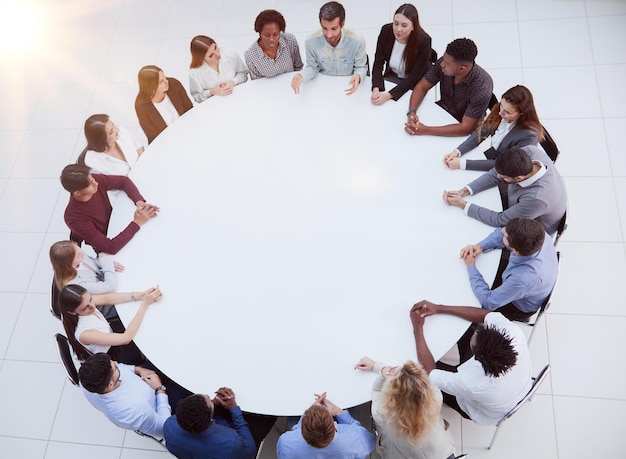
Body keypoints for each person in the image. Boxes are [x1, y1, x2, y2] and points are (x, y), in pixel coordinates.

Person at [409, 300, 532, 425]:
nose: (477, 331)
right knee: (468, 327)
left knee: (418, 370)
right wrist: (439, 308)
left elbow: (430, 373)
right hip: (515, 388)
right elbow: (485, 316)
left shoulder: (475, 383)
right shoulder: (513, 333)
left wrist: (418, 328)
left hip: (480, 409)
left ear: (477, 358)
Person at [442, 145, 568, 235]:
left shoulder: (537, 198)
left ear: (519, 177)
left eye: (502, 177)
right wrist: (464, 191)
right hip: (522, 204)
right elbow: (495, 172)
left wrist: (462, 204)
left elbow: (500, 220)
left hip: (531, 229)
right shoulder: (529, 151)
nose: (497, 176)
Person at [354, 357, 455, 459]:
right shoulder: (436, 396)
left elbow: (377, 391)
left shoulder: (382, 414)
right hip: (442, 452)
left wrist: (381, 369)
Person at [460, 218, 559, 321]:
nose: (502, 231)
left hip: (516, 307)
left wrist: (471, 266)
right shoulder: (537, 232)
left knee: (468, 298)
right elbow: (504, 231)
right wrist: (480, 246)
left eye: (505, 236)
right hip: (527, 283)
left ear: (515, 251)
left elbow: (488, 302)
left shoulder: (522, 278)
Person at [61, 163, 159, 254]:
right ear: (77, 193)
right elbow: (110, 247)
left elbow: (123, 181)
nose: (96, 183)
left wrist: (139, 201)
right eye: (90, 183)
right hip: (106, 240)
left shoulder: (93, 180)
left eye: (92, 179)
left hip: (116, 222)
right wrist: (137, 222)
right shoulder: (74, 218)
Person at [404, 37, 493, 137]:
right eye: (443, 59)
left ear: (461, 69)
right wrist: (412, 111)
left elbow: (466, 128)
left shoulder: (482, 87)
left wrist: (426, 130)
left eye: (446, 63)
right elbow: (422, 87)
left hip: (463, 124)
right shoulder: (444, 63)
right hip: (443, 109)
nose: (442, 64)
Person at [443, 85, 543, 171]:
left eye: (507, 112)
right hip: (494, 154)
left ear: (521, 113)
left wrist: (462, 164)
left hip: (506, 169)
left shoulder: (529, 135)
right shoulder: (501, 110)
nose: (500, 113)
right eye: (501, 106)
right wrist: (457, 151)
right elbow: (482, 132)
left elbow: (504, 164)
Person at [59, 283, 160, 364]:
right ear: (72, 312)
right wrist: (145, 304)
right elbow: (125, 339)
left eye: (90, 299)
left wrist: (140, 295)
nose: (92, 306)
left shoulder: (85, 302)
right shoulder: (84, 333)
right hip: (114, 357)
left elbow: (107, 298)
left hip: (110, 335)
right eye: (85, 307)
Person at [79, 353, 171, 438]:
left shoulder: (86, 381)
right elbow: (165, 427)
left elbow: (121, 367)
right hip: (161, 403)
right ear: (110, 385)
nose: (116, 363)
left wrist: (138, 370)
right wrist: (160, 389)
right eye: (115, 367)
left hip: (146, 379)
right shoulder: (134, 411)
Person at [290, 1, 367, 96]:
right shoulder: (311, 41)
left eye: (334, 29)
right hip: (323, 88)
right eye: (325, 28)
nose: (329, 35)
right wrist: (301, 76)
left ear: (342, 24)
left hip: (348, 87)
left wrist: (358, 76)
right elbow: (312, 67)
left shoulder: (357, 40)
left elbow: (361, 67)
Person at [276, 392, 375, 458]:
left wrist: (309, 412)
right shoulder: (359, 439)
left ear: (303, 430)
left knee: (293, 412)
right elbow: (367, 438)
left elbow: (295, 430)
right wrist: (338, 411)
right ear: (335, 429)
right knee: (351, 405)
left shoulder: (285, 443)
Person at [164, 390, 257, 459]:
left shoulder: (169, 425)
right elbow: (251, 449)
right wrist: (234, 408)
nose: (208, 395)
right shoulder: (232, 443)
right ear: (210, 418)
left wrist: (211, 403)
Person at [371, 4, 432, 105]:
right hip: (392, 75)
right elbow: (378, 63)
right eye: (395, 23)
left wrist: (388, 95)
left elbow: (414, 77)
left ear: (413, 26)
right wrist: (376, 88)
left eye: (404, 25)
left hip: (413, 83)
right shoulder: (386, 31)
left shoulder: (424, 41)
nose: (398, 29)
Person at [135, 65, 193, 144]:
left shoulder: (174, 84)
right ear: (151, 87)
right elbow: (152, 136)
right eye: (161, 81)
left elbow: (189, 109)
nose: (166, 81)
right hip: (168, 141)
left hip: (188, 129)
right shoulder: (141, 106)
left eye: (164, 77)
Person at [244, 9, 303, 80]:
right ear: (259, 33)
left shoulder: (289, 40)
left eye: (276, 34)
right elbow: (257, 83)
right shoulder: (251, 55)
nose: (271, 39)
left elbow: (298, 68)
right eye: (267, 35)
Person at [188, 35, 248, 103]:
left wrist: (233, 82)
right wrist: (212, 92)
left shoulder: (230, 54)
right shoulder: (195, 74)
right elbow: (197, 97)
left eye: (215, 47)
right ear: (202, 58)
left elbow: (244, 74)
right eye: (211, 55)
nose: (217, 54)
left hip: (239, 98)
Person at [50, 240, 123, 294]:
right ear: (70, 264)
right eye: (78, 255)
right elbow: (111, 287)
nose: (82, 253)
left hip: (106, 282)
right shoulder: (76, 284)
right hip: (107, 302)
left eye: (79, 249)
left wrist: (105, 264)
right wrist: (106, 262)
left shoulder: (78, 255)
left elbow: (92, 261)